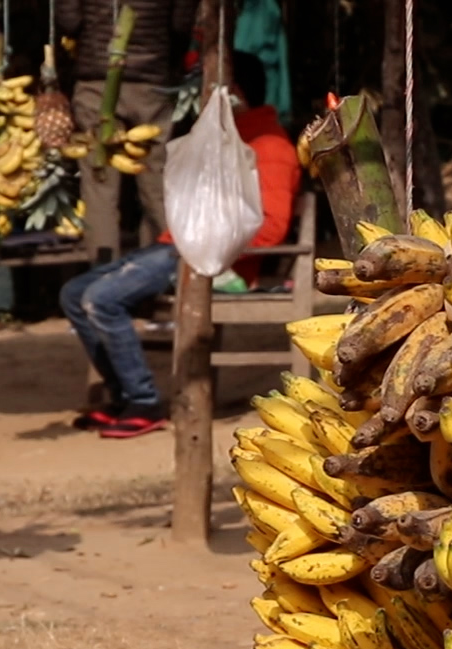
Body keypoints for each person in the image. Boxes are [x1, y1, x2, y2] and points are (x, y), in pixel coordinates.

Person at [61, 51, 301, 439]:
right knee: (74, 294)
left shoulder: (270, 146)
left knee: (101, 300)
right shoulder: (222, 139)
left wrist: (207, 239)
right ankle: (122, 396)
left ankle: (143, 401)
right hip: (176, 247)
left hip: (208, 258)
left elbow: (271, 228)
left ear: (235, 93)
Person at [56, 0, 197, 264]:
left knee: (100, 187)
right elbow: (180, 25)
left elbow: (69, 22)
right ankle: (168, 267)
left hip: (97, 80)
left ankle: (103, 272)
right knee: (156, 183)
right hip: (152, 83)